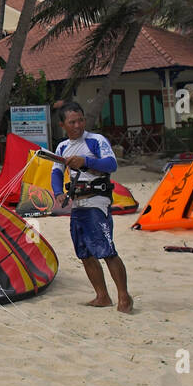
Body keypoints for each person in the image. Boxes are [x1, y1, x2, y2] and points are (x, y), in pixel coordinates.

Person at [51, 102, 133, 313]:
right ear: (63, 124)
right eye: (72, 122)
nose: (77, 125)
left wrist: (85, 161)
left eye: (80, 120)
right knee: (85, 253)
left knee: (106, 251)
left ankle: (124, 297)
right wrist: (58, 192)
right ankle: (102, 296)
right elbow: (57, 171)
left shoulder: (96, 141)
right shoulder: (61, 147)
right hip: (78, 204)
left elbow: (111, 164)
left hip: (97, 202)